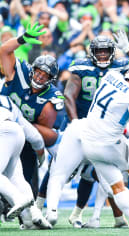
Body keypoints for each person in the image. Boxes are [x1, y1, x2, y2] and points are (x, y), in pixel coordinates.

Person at [44, 31, 129, 228]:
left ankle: (116, 217)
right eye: (98, 51)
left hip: (99, 129)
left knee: (102, 176)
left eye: (106, 51)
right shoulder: (83, 67)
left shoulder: (120, 67)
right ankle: (47, 210)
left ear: (112, 52)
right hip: (84, 125)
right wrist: (74, 122)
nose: (102, 55)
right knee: (61, 169)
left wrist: (128, 50)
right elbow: (69, 95)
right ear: (91, 52)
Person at [80, 64, 129, 234]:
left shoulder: (110, 77)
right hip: (110, 144)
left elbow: (124, 77)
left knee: (118, 187)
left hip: (88, 144)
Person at [0, 22, 64, 200]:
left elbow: (43, 128)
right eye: (38, 72)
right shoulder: (18, 72)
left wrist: (38, 146)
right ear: (33, 68)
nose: (40, 76)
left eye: (45, 75)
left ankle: (28, 215)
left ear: (51, 79)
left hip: (26, 136)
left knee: (27, 177)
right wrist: (22, 39)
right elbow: (4, 50)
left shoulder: (52, 96)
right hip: (4, 127)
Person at [0, 95, 51, 229]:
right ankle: (32, 218)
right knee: (16, 179)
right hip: (17, 132)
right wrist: (40, 155)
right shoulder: (7, 100)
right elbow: (33, 134)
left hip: (2, 132)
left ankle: (18, 199)